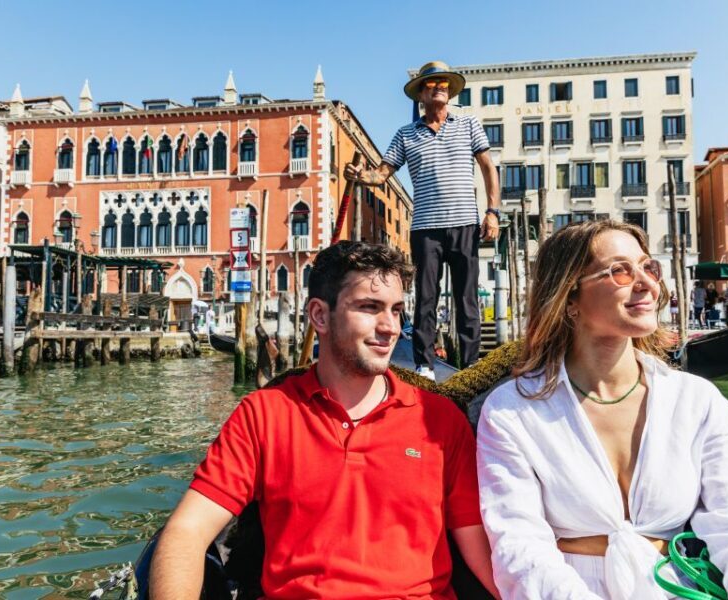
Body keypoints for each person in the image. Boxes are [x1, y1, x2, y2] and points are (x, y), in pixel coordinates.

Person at [151, 241, 497, 599]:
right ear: (319, 316)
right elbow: (186, 532)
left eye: (396, 311)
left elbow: (482, 554)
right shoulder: (264, 414)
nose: (390, 327)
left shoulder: (440, 421)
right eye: (369, 307)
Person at [476, 219, 728, 598]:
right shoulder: (511, 411)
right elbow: (521, 550)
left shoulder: (697, 401)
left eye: (647, 266)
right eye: (620, 271)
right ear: (569, 297)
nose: (645, 282)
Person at [345, 61, 501, 381]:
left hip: (464, 223)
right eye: (433, 83)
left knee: (467, 298)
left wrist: (492, 212)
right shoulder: (405, 134)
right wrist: (362, 177)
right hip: (425, 227)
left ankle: (470, 366)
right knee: (426, 297)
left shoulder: (468, 124)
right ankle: (425, 365)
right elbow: (382, 173)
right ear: (421, 94)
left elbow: (489, 168)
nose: (440, 86)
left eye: (444, 82)